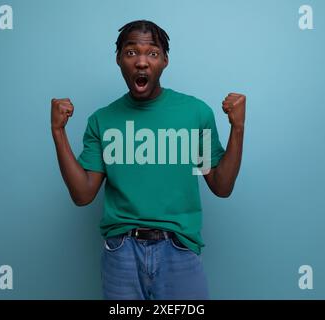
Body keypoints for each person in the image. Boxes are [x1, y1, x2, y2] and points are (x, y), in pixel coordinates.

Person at [50, 20, 246, 300]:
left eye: (152, 53)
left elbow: (220, 185)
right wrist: (58, 132)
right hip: (122, 253)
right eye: (131, 52)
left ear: (165, 61)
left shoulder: (194, 114)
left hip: (179, 248)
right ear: (118, 59)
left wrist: (237, 129)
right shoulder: (102, 121)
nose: (141, 62)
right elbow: (82, 194)